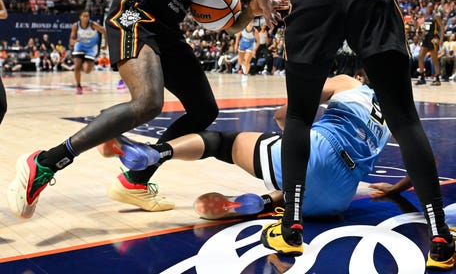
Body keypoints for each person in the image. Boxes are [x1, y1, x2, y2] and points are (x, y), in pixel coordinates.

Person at [7, 0, 288, 218]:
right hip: (134, 12)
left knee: (204, 110)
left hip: (166, 28)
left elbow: (229, 24)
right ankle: (45, 162)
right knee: (148, 102)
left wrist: (251, 12)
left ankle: (136, 180)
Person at [249, 0, 453, 270]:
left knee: (299, 116)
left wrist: (266, 5)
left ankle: (291, 229)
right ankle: (441, 235)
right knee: (403, 116)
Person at [98, 73, 414, 220]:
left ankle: (155, 153)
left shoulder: (349, 82)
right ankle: (264, 202)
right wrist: (395, 189)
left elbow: (284, 113)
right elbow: (420, 161)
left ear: (363, 75)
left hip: (314, 154)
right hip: (335, 202)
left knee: (222, 143)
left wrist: (287, 134)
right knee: (301, 186)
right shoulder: (397, 114)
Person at [0, 0, 110, 124]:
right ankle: (78, 83)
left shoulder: (92, 25)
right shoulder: (76, 26)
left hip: (90, 50)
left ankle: (80, 81)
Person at [69, 10, 107, 94]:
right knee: (77, 66)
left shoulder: (93, 25)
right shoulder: (76, 26)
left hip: (91, 48)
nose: (86, 18)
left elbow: (104, 31)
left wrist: (105, 45)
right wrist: (74, 41)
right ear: (80, 17)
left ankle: (83, 64)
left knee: (87, 70)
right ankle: (78, 86)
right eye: (84, 16)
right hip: (80, 46)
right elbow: (71, 39)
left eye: (87, 16)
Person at [416, 3, 444, 86]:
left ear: (432, 8)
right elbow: (425, 29)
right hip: (426, 38)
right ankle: (422, 77)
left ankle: (437, 79)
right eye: (427, 7)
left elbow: (442, 27)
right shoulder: (425, 17)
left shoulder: (436, 16)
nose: (428, 8)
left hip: (433, 38)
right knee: (420, 56)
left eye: (430, 7)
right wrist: (420, 33)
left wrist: (441, 38)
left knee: (434, 59)